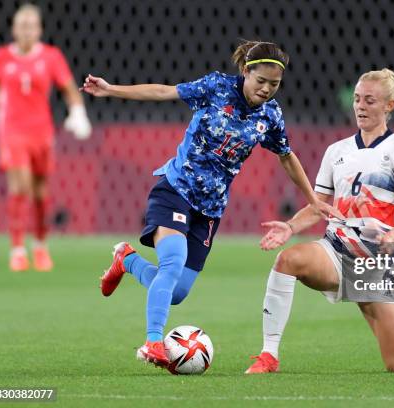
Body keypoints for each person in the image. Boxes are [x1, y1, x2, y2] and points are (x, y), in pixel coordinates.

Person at [81, 40, 339, 367]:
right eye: (261, 81)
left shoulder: (271, 115)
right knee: (172, 264)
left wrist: (313, 200)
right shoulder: (216, 87)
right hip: (175, 189)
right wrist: (112, 90)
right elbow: (164, 92)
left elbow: (286, 157)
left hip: (210, 210)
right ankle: (153, 343)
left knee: (176, 292)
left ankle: (126, 259)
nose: (266, 89)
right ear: (246, 71)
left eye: (274, 85)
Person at [245, 68, 394, 374]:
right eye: (357, 99)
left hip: (376, 262)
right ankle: (269, 355)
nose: (360, 106)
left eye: (370, 101)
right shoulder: (337, 151)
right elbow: (319, 206)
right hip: (335, 251)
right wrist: (291, 226)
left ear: (389, 106)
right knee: (289, 260)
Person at [0, 3, 92, 272]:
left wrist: (78, 112)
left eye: (31, 26)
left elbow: (69, 88)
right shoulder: (1, 57)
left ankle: (40, 246)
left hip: (41, 132)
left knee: (41, 193)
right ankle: (17, 250)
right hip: (12, 132)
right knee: (20, 187)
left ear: (39, 29)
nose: (27, 31)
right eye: (22, 26)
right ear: (14, 29)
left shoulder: (51, 57)